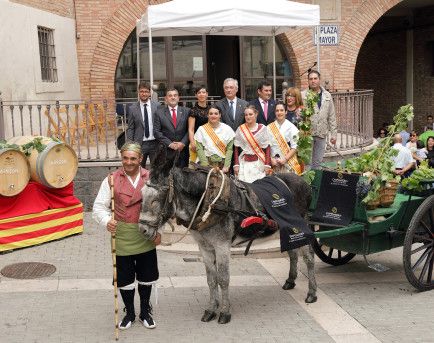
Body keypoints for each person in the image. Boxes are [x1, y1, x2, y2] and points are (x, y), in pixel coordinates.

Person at [92, 143, 161, 331]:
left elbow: (161, 208)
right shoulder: (111, 179)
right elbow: (99, 206)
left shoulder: (152, 178)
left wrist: (158, 231)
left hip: (145, 233)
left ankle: (145, 311)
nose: (128, 162)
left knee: (146, 275)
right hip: (122, 234)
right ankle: (129, 313)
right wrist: (107, 220)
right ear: (121, 158)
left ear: (140, 159)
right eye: (125, 158)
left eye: (133, 158)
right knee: (125, 277)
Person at [301, 70, 337, 170]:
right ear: (308, 81)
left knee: (318, 163)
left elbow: (331, 116)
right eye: (311, 79)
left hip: (321, 133)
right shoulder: (303, 95)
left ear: (319, 80)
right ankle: (307, 185)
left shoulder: (327, 95)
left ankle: (315, 184)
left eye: (315, 78)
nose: (313, 81)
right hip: (307, 135)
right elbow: (298, 115)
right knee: (307, 163)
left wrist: (334, 134)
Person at [153, 88, 190, 168]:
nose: (173, 97)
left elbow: (190, 130)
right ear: (166, 99)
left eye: (175, 95)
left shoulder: (187, 111)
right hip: (166, 152)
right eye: (170, 96)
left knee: (183, 177)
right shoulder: (159, 113)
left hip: (183, 152)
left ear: (178, 98)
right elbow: (156, 132)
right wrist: (170, 144)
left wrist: (183, 143)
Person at [234, 105, 271, 182]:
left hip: (259, 163)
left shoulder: (262, 128)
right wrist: (236, 164)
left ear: (256, 114)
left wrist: (267, 164)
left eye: (250, 114)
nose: (248, 117)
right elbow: (236, 148)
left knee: (259, 186)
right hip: (244, 163)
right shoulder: (240, 129)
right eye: (246, 115)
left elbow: (267, 147)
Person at [126, 82, 160, 167]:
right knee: (138, 168)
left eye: (146, 91)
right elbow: (130, 128)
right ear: (138, 92)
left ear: (149, 93)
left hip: (155, 143)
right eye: (141, 91)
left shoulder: (157, 106)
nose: (144, 94)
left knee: (156, 170)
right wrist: (130, 145)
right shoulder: (132, 108)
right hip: (140, 144)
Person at [194, 105, 235, 173]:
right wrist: (205, 166)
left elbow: (229, 149)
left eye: (216, 113)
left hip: (222, 165)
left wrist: (226, 166)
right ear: (208, 115)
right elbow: (199, 149)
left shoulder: (227, 129)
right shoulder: (201, 129)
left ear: (220, 115)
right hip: (206, 164)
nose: (213, 116)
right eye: (211, 113)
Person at [267, 102, 301, 174]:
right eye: (277, 110)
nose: (279, 112)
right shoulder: (269, 127)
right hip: (274, 164)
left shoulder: (292, 127)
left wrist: (285, 159)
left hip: (288, 163)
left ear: (286, 112)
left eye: (281, 110)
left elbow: (295, 147)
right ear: (275, 112)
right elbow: (266, 146)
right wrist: (270, 159)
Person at [188, 86, 210, 164]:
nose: (201, 94)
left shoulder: (211, 109)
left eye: (203, 92)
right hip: (197, 141)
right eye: (199, 93)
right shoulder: (193, 110)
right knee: (194, 165)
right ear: (196, 95)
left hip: (209, 140)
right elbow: (191, 129)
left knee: (208, 164)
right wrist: (192, 143)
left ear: (207, 94)